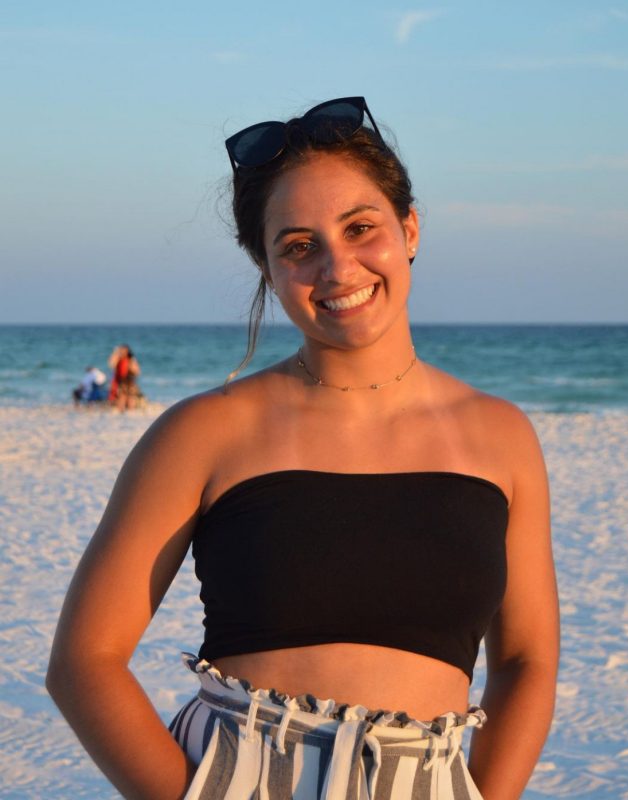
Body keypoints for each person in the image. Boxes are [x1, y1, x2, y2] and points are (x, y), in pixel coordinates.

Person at [47, 97, 559, 799]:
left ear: (408, 229)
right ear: (266, 266)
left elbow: (526, 660)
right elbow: (84, 660)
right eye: (297, 246)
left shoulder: (499, 436)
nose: (336, 267)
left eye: (360, 228)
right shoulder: (202, 432)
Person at [108, 344, 142, 411]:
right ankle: (122, 410)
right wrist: (115, 353)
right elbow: (111, 364)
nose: (122, 352)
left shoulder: (131, 360)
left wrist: (131, 367)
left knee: (131, 397)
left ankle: (130, 410)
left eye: (123, 350)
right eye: (121, 350)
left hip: (129, 380)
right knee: (121, 397)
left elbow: (137, 371)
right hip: (121, 381)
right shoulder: (118, 359)